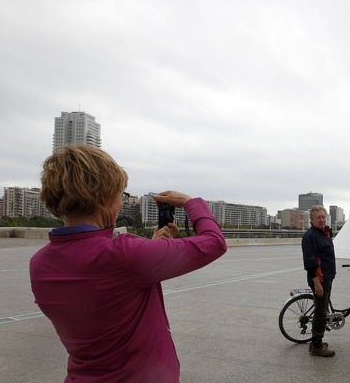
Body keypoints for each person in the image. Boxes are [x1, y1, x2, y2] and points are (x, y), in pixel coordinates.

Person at [29, 145, 227, 383]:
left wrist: (151, 247)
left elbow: (108, 292)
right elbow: (214, 243)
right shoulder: (124, 255)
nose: (120, 205)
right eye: (119, 196)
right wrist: (192, 203)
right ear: (103, 198)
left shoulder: (40, 264)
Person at [302, 205, 336, 357]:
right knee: (321, 311)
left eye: (323, 217)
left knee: (321, 308)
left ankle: (317, 341)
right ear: (312, 220)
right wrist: (316, 283)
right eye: (318, 217)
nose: (322, 220)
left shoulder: (323, 233)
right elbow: (310, 262)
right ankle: (316, 345)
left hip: (327, 277)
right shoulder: (311, 236)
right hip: (319, 279)